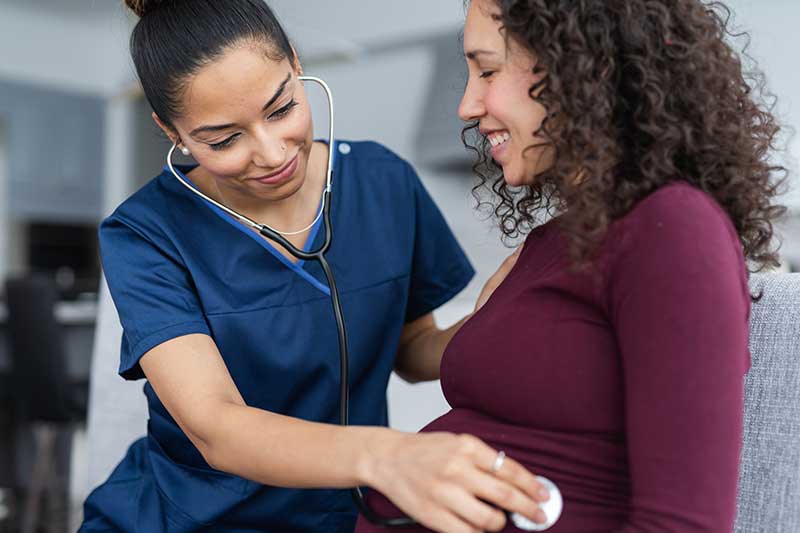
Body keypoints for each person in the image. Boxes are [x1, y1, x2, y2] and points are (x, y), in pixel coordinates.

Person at [79, 0, 552, 532]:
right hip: (190, 518)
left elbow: (413, 352)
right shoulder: (145, 233)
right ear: (173, 132)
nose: (271, 152)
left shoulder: (383, 182)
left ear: (297, 65)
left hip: (344, 517)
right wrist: (389, 455)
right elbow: (216, 428)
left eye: (281, 109)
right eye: (224, 139)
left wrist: (498, 320)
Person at [356, 0, 786, 531]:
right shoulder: (553, 244)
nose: (467, 105)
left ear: (582, 65)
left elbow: (681, 525)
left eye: (487, 70)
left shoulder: (674, 228)